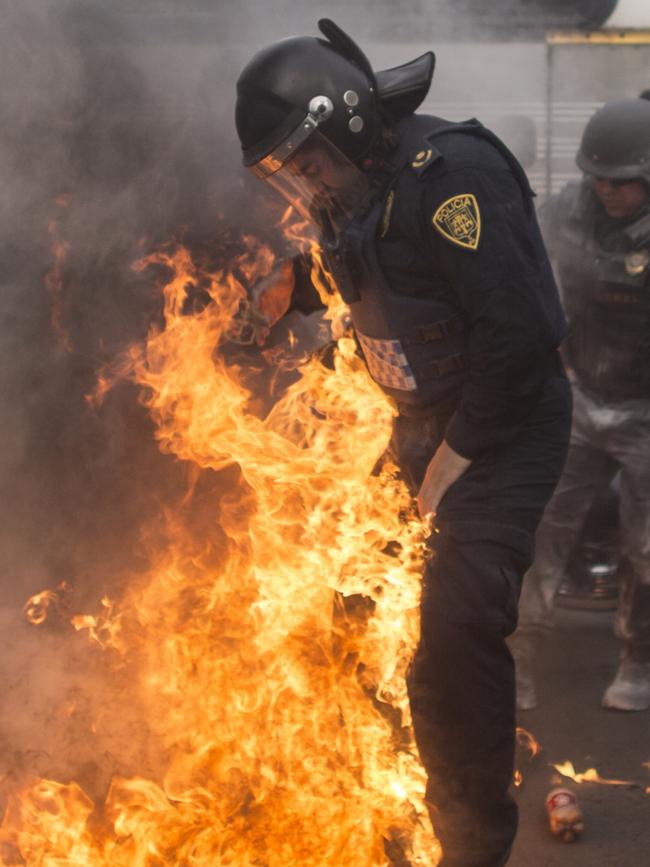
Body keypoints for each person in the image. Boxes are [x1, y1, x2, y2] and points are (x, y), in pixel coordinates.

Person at [234, 20, 571, 867]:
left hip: (503, 430)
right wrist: (289, 291)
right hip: (420, 431)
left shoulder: (453, 178)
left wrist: (457, 456)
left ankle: (470, 842)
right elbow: (366, 268)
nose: (302, 181)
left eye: (305, 159)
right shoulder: (352, 194)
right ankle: (375, 811)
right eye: (289, 171)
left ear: (344, 118)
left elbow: (522, 335)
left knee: (452, 630)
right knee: (350, 616)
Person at [512, 99, 650, 713]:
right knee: (540, 530)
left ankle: (639, 660)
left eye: (621, 179)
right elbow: (523, 269)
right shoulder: (567, 210)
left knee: (646, 546)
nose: (607, 189)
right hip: (577, 394)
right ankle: (515, 660)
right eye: (599, 176)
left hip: (645, 410)